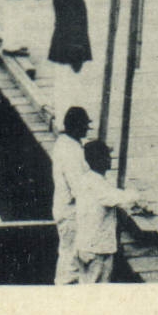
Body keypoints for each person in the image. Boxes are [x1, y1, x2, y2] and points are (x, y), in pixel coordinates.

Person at [74, 140, 136, 283]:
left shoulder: (88, 179)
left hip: (87, 245)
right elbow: (118, 198)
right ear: (98, 160)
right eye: (106, 156)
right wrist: (136, 194)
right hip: (97, 250)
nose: (110, 159)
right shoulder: (97, 184)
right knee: (96, 289)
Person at [50, 107, 92, 286]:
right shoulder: (70, 151)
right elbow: (77, 187)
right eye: (84, 125)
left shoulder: (67, 144)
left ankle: (64, 286)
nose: (87, 129)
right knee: (71, 257)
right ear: (76, 126)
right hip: (70, 212)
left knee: (69, 254)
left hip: (65, 208)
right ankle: (65, 288)